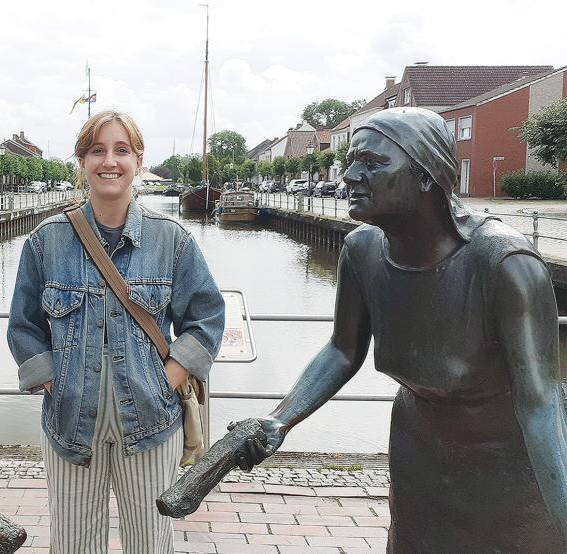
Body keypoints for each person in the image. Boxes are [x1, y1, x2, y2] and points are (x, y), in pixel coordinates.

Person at [234, 107, 567, 552]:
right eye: (353, 160)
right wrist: (280, 419)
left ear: (427, 177)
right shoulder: (362, 251)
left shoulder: (504, 265)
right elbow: (341, 351)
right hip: (419, 450)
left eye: (373, 164)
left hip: (511, 464)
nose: (350, 175)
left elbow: (540, 403)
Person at [7, 110, 225, 553]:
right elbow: (24, 326)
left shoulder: (172, 241)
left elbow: (206, 318)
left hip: (150, 419)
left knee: (149, 542)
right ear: (82, 161)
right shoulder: (46, 241)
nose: (110, 161)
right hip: (70, 422)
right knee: (73, 544)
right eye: (98, 150)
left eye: (122, 150)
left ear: (139, 161)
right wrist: (56, 381)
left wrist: (167, 380)